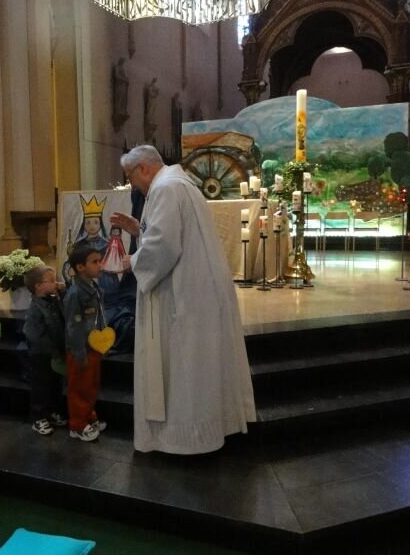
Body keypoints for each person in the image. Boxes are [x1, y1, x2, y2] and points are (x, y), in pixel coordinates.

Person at [111, 145, 256, 455]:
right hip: (197, 289)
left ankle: (186, 439)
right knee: (199, 362)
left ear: (143, 168)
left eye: (130, 177)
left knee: (186, 364)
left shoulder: (165, 189)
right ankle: (209, 430)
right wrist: (138, 229)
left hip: (183, 293)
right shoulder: (178, 183)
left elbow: (164, 246)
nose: (131, 184)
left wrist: (132, 261)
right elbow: (169, 234)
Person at [63, 246, 107, 442]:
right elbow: (73, 326)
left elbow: (99, 316)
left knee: (91, 385)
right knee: (79, 387)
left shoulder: (93, 287)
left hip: (93, 346)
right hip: (80, 349)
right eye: (95, 262)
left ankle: (89, 416)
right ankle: (77, 425)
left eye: (100, 260)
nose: (100, 265)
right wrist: (79, 353)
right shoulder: (75, 293)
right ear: (80, 267)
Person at [23, 265, 68, 436]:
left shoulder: (53, 300)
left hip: (55, 353)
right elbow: (32, 333)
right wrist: (50, 349)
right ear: (38, 286)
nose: (56, 283)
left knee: (55, 384)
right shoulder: (35, 308)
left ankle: (51, 411)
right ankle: (38, 417)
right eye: (51, 280)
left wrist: (62, 291)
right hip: (41, 355)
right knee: (41, 386)